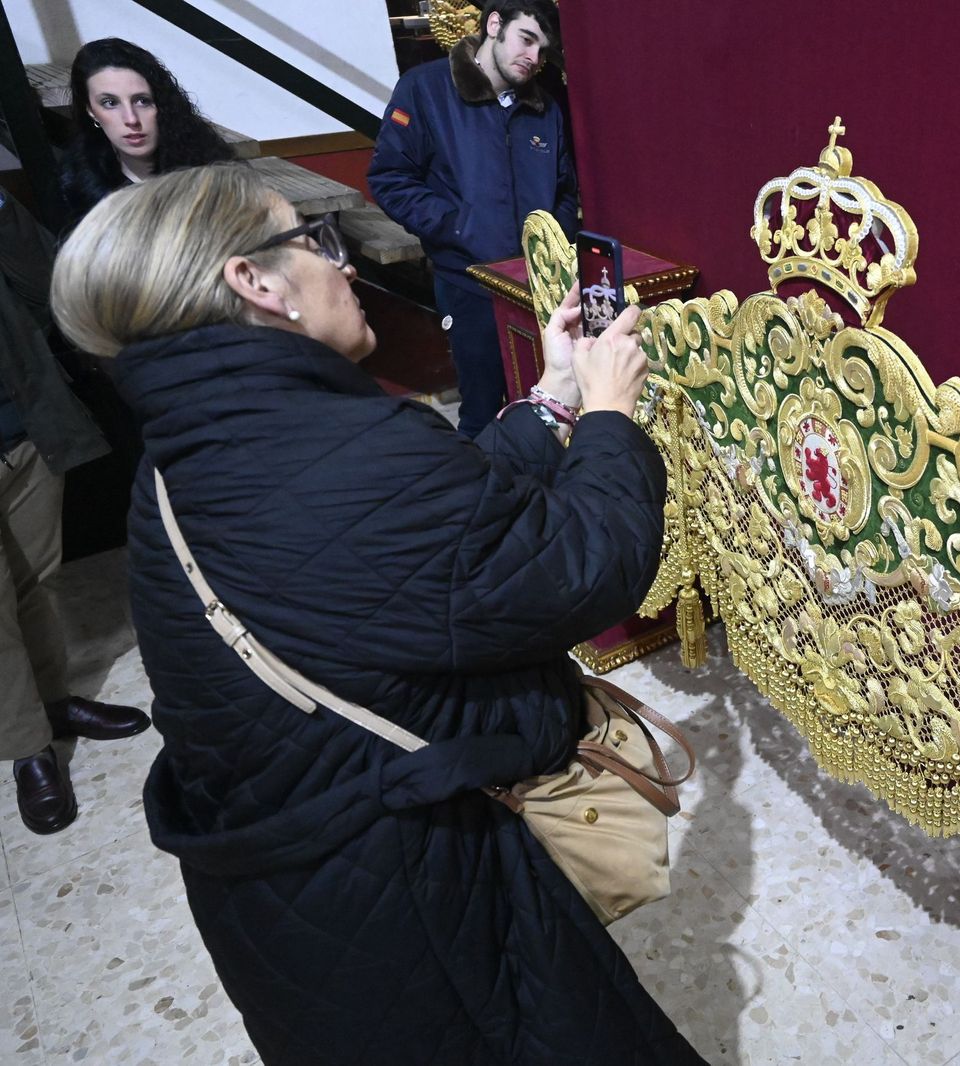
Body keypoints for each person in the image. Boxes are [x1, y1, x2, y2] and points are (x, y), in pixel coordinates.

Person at [51, 165, 701, 1063]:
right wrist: (610, 418)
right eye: (312, 242)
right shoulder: (342, 452)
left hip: (291, 896)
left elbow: (426, 542)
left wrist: (549, 398)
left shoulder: (192, 450)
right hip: (411, 901)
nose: (344, 264)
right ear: (256, 282)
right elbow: (582, 571)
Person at [1, 188, 151, 834]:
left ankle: (54, 704)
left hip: (24, 426)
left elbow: (48, 280)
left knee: (36, 581)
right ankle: (28, 749)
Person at [369, 0, 580, 440]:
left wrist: (550, 245)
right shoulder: (425, 90)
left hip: (538, 288)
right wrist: (459, 227)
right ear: (494, 25)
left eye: (543, 50)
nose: (534, 58)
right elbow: (390, 179)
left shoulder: (546, 108)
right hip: (469, 283)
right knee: (483, 412)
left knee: (550, 406)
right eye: (526, 40)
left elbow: (565, 191)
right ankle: (486, 504)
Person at [59, 37, 234, 225]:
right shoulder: (79, 185)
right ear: (91, 112)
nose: (131, 119)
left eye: (142, 100)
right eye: (110, 103)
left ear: (161, 104)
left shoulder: (211, 173)